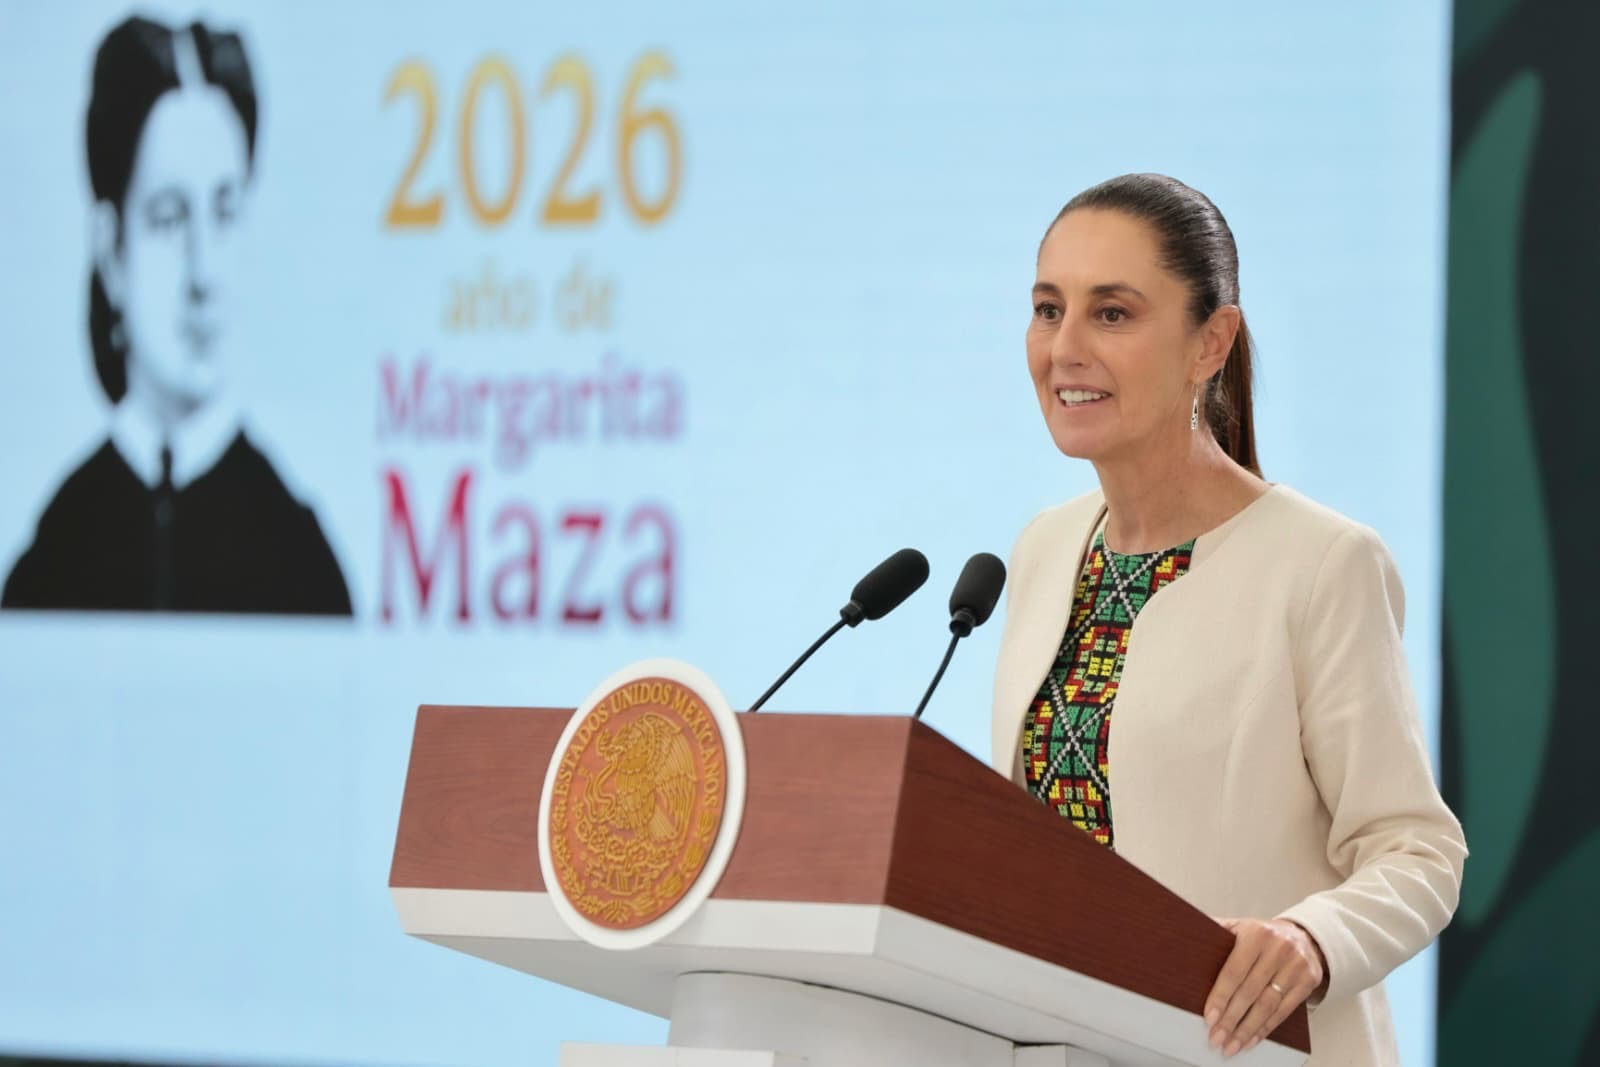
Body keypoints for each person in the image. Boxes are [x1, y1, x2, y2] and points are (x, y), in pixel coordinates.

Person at [990, 174, 1465, 1065]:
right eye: (1049, 309)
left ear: (1211, 341)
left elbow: (1418, 850)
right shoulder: (1044, 550)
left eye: (1112, 313)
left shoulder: (1322, 562)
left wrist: (1312, 938)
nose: (1065, 347)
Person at [2, 15, 351, 615]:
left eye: (224, 213)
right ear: (111, 249)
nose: (202, 274)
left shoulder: (300, 560)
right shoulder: (55, 558)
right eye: (169, 219)